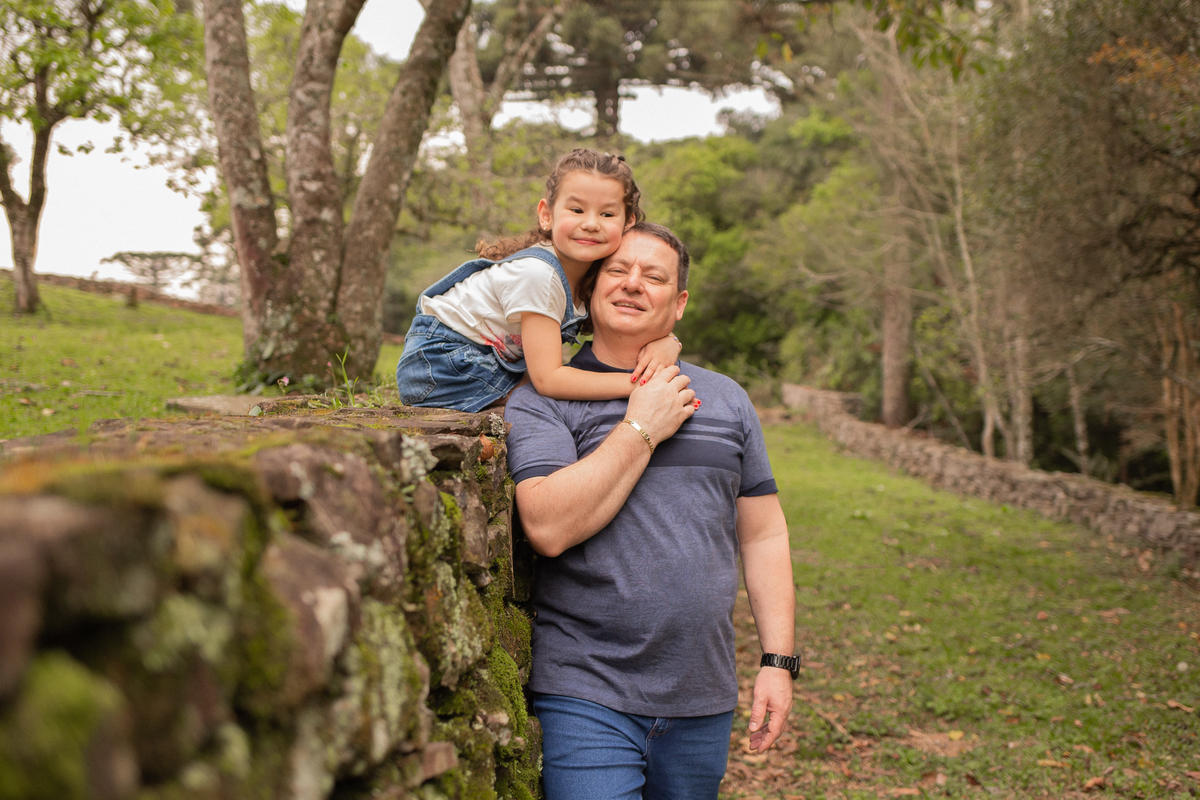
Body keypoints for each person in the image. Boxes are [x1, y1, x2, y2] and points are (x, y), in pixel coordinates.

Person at [505, 222, 797, 800]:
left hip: (702, 698)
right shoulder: (544, 398)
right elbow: (547, 526)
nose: (633, 283)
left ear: (680, 303)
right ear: (587, 290)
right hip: (585, 692)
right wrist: (642, 427)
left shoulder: (727, 399)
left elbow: (763, 534)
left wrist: (779, 660)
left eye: (654, 275)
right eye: (617, 269)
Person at [396, 148, 682, 413]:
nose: (591, 223)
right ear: (547, 215)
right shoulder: (540, 275)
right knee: (545, 405)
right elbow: (549, 379)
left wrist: (668, 342)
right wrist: (638, 385)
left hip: (478, 363)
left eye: (607, 214)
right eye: (577, 210)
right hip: (443, 365)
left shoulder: (596, 273)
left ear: (627, 222)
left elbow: (624, 328)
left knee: (559, 402)